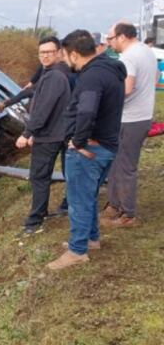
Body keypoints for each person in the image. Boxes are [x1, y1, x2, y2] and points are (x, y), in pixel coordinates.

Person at [47, 30, 126, 270]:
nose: (63, 61)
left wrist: (78, 142)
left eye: (64, 56)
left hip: (91, 149)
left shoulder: (92, 77)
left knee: (79, 199)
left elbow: (87, 111)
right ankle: (91, 239)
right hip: (108, 144)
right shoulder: (110, 69)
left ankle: (77, 251)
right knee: (88, 195)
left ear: (73, 54)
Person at [100, 23, 158, 227]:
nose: (108, 42)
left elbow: (126, 88)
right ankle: (114, 205)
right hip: (141, 116)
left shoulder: (128, 57)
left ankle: (127, 214)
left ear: (122, 36)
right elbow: (155, 79)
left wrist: (104, 104)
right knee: (117, 163)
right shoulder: (146, 51)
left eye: (110, 38)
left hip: (129, 118)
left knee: (125, 166)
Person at [14, 37, 71, 236]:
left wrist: (28, 132)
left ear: (58, 53)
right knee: (56, 175)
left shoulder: (54, 76)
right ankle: (58, 208)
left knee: (39, 177)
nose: (45, 56)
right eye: (42, 53)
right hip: (56, 132)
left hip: (50, 135)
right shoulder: (54, 73)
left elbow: (43, 109)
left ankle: (35, 221)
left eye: (49, 52)